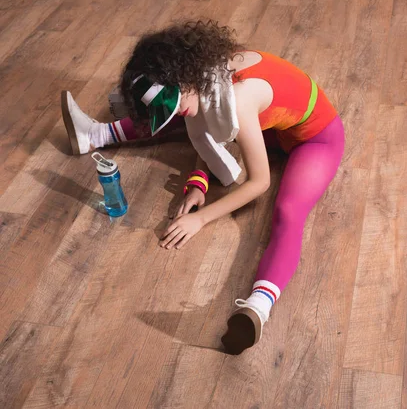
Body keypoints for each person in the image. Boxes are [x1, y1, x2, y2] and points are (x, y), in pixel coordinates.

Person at [61, 20, 345, 355]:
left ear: (184, 76)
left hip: (314, 140)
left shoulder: (237, 100)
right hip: (269, 126)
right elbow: (208, 129)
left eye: (174, 97)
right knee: (184, 114)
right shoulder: (204, 78)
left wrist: (202, 218)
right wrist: (199, 181)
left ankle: (257, 307)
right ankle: (94, 136)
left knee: (289, 212)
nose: (177, 108)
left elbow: (259, 182)